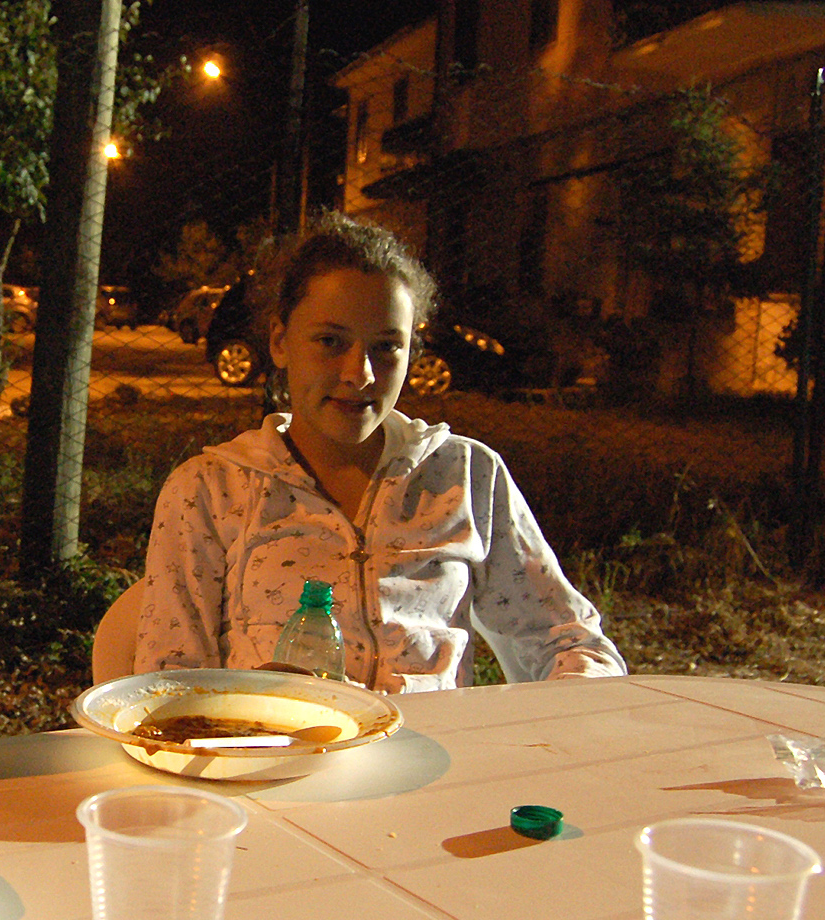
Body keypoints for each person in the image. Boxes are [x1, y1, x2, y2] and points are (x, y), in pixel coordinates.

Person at [135, 212, 625, 692]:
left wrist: (569, 700)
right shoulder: (212, 489)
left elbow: (568, 641)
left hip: (440, 761)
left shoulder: (464, 476)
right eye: (330, 341)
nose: (360, 374)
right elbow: (168, 682)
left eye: (387, 347)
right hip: (273, 761)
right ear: (280, 342)